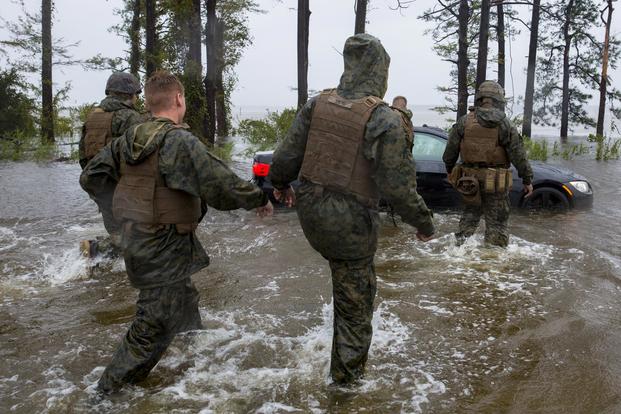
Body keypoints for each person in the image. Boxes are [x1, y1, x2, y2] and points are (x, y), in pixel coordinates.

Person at [80, 70, 273, 394]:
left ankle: (196, 365)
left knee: (184, 299)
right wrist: (260, 199)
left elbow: (91, 177)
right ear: (179, 99)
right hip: (164, 245)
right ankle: (103, 397)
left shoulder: (129, 139)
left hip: (139, 240)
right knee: (150, 325)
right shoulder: (178, 140)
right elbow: (221, 184)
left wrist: (126, 207)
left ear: (150, 102)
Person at [268, 34, 435, 385]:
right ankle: (345, 390)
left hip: (311, 215)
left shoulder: (317, 104)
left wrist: (281, 186)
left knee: (342, 281)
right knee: (356, 311)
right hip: (350, 224)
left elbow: (285, 158)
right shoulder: (385, 119)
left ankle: (336, 356)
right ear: (380, 72)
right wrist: (424, 222)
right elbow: (398, 188)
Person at [442, 80, 533, 247]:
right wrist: (527, 180)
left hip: (469, 181)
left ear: (479, 98)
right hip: (495, 183)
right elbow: (518, 155)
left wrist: (449, 170)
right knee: (497, 225)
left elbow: (449, 153)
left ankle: (459, 254)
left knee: (468, 219)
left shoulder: (464, 122)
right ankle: (493, 263)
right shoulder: (505, 124)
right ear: (499, 99)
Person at [79, 72, 145, 258]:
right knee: (139, 236)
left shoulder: (92, 117)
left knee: (117, 231)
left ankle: (97, 260)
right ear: (131, 94)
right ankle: (96, 249)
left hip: (98, 184)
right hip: (124, 185)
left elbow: (82, 155)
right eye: (136, 95)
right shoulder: (131, 118)